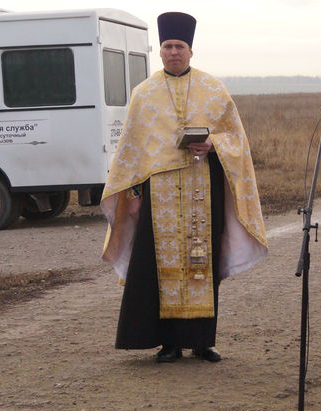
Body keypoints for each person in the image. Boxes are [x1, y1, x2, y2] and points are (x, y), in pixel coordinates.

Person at [100, 12, 267, 364]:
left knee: (201, 263)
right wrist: (131, 196)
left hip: (202, 188)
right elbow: (130, 151)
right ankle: (169, 343)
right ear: (159, 52)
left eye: (179, 46)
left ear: (191, 51)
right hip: (158, 193)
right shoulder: (144, 94)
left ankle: (202, 341)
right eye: (167, 46)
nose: (173, 52)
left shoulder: (214, 89)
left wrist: (212, 145)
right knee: (160, 267)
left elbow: (236, 139)